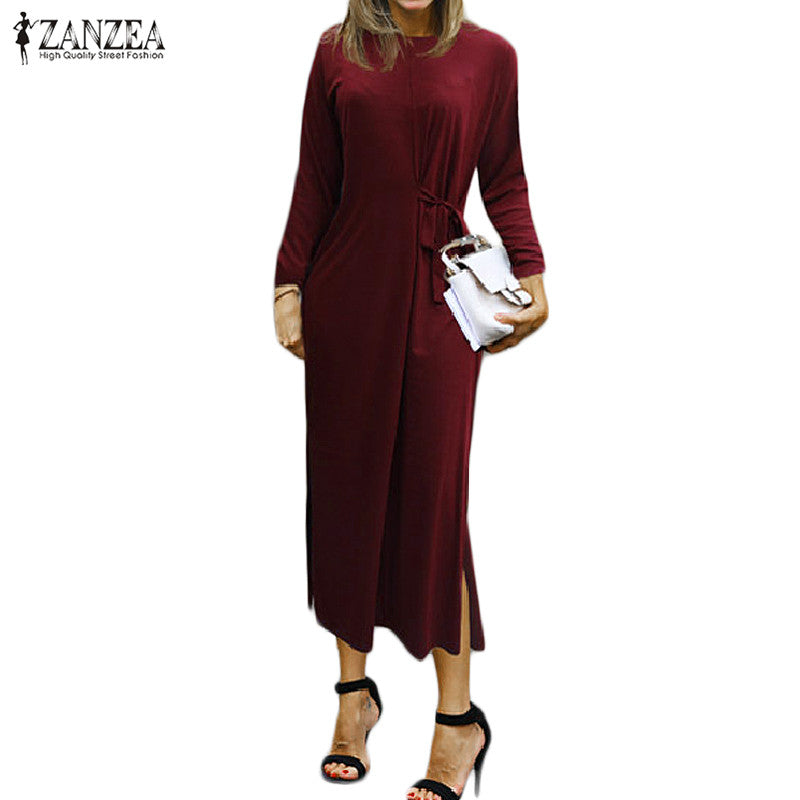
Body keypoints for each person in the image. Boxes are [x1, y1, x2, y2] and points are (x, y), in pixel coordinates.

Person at [273, 1, 549, 798]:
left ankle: (458, 723)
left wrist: (531, 269)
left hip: (440, 301)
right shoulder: (336, 51)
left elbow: (504, 174)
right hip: (348, 295)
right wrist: (288, 283)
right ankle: (352, 698)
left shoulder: (491, 57)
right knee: (347, 493)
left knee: (435, 500)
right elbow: (316, 177)